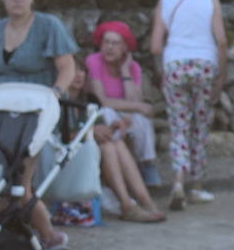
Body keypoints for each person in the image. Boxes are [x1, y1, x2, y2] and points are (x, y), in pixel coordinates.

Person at [0, 0, 78, 249]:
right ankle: (3, 235)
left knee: (20, 180)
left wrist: (55, 93)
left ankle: (48, 236)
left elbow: (67, 66)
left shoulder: (47, 26)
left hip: (33, 113)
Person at [149, 0, 226, 211]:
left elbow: (155, 46)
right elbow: (221, 40)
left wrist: (162, 68)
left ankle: (178, 183)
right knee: (200, 126)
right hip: (204, 64)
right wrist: (221, 74)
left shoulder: (165, 1)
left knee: (179, 126)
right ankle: (197, 186)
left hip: (175, 65)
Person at [68, 54, 165, 223]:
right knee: (108, 147)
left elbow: (100, 131)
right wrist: (89, 131)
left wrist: (112, 128)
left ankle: (145, 200)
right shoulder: (59, 103)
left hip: (91, 154)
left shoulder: (89, 101)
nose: (79, 75)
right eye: (73, 70)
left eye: (81, 70)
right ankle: (126, 204)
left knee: (116, 142)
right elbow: (59, 136)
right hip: (70, 159)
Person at [85, 20, 160, 186]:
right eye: (106, 42)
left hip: (123, 111)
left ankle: (146, 164)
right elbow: (102, 100)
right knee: (108, 113)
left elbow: (134, 101)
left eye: (115, 43)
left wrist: (125, 71)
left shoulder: (133, 67)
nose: (109, 47)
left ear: (125, 47)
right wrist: (136, 107)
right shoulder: (94, 61)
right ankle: (120, 167)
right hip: (100, 111)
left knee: (142, 120)